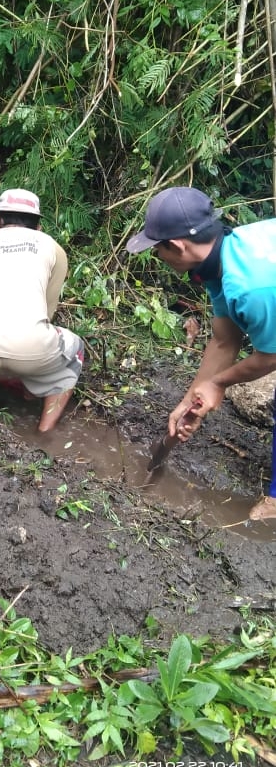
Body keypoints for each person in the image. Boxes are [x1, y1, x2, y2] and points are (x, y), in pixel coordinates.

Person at [126, 185, 276, 521]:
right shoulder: (218, 260)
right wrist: (190, 399)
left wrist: (218, 383)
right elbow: (224, 340)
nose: (157, 256)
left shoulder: (250, 286)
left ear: (178, 245)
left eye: (157, 249)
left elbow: (270, 356)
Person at [0, 189, 84, 432]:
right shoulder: (52, 248)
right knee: (76, 347)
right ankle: (45, 433)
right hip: (29, 348)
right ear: (39, 227)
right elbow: (47, 314)